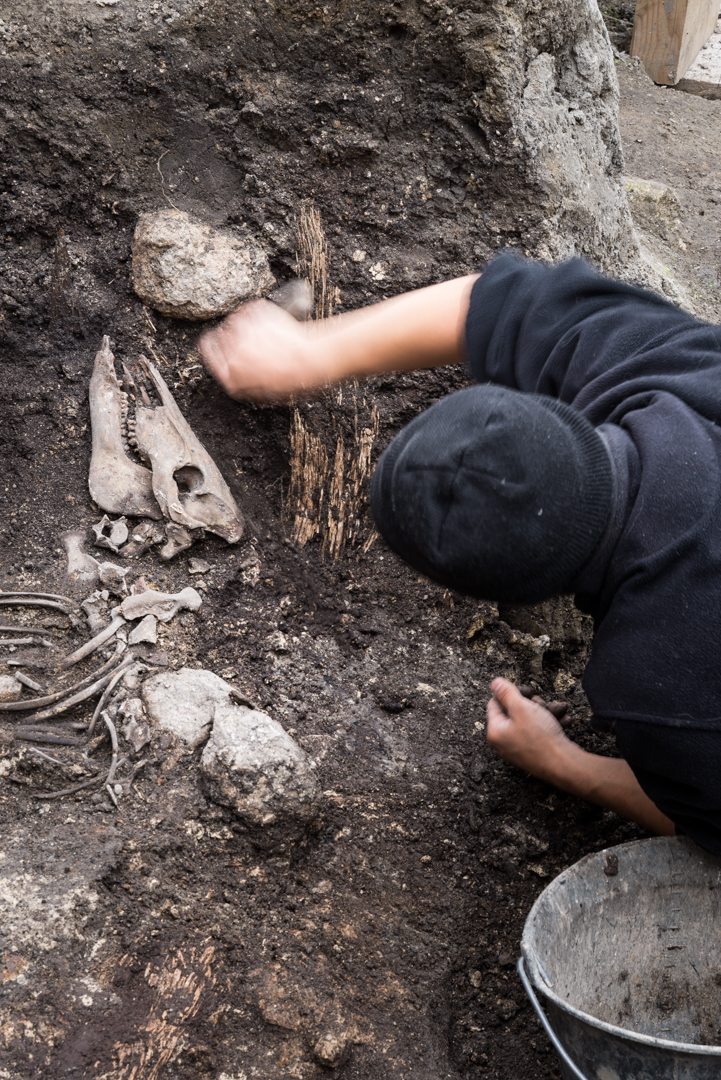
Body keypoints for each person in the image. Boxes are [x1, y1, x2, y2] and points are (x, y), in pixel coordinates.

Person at [200, 253, 721, 855]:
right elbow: (499, 303)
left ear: (521, 596)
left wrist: (563, 762)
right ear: (549, 411)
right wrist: (311, 352)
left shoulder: (663, 691)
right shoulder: (676, 369)